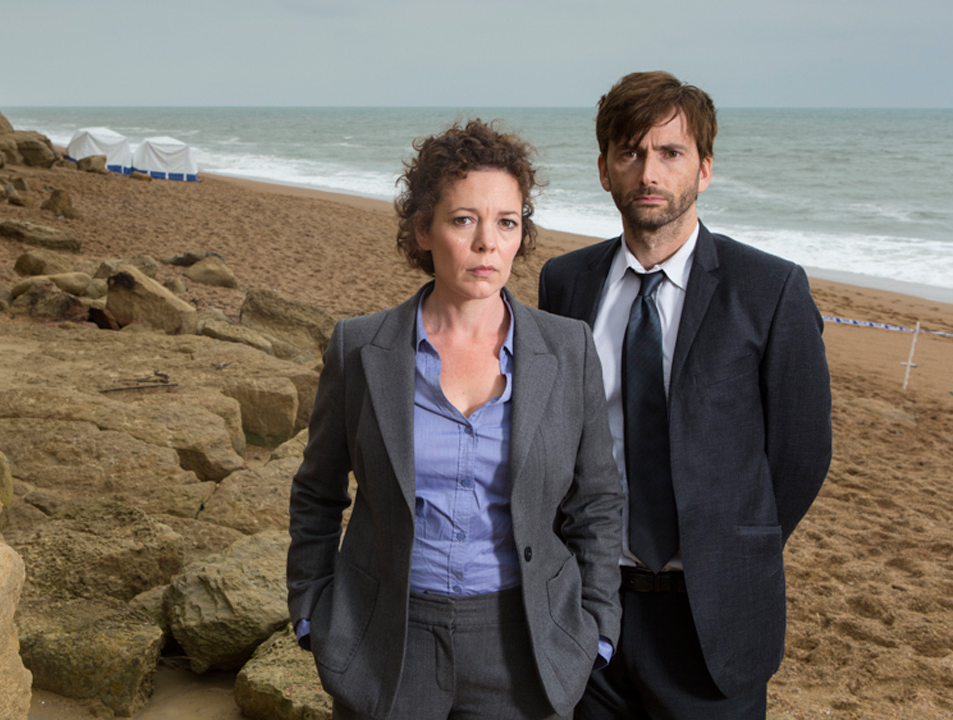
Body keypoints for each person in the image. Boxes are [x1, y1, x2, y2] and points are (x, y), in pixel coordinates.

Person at [287, 119, 624, 720]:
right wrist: (313, 610)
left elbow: (597, 501)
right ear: (423, 229)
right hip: (388, 640)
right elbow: (317, 492)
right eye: (464, 219)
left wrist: (596, 627)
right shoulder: (359, 348)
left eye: (507, 222)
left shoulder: (568, 349)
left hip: (525, 644)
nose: (487, 243)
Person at [538, 71, 832, 719]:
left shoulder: (770, 289)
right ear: (604, 169)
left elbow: (802, 453)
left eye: (670, 153)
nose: (649, 172)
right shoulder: (565, 282)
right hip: (590, 606)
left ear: (704, 170)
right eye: (630, 152)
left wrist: (733, 545)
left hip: (711, 618)